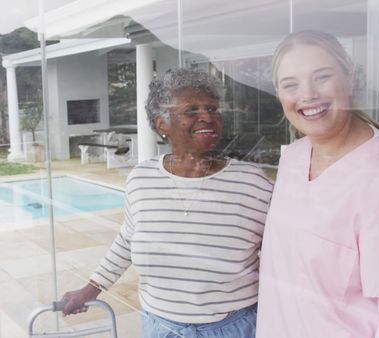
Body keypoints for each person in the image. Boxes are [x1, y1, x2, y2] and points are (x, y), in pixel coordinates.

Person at [60, 68, 273, 338]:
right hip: (161, 328)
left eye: (212, 108)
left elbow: (285, 254)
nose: (207, 116)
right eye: (192, 110)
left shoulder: (251, 183)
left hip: (233, 327)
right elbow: (127, 239)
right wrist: (91, 289)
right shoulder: (141, 178)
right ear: (162, 124)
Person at [256, 30, 379, 338]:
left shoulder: (377, 175)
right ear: (278, 94)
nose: (308, 94)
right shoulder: (293, 159)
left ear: (349, 77)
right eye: (291, 84)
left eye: (322, 76)